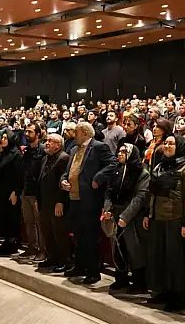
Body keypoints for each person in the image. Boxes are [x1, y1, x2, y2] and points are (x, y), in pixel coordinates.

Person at [144, 135, 185, 311]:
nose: (167, 146)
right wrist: (148, 214)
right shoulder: (161, 165)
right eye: (166, 143)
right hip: (158, 218)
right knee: (159, 258)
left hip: (176, 220)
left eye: (172, 144)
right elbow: (152, 192)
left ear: (181, 147)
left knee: (175, 261)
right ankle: (162, 292)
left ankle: (177, 297)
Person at [60, 122, 117, 285]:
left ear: (84, 133)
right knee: (78, 236)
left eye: (76, 132)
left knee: (90, 237)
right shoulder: (73, 149)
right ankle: (80, 266)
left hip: (90, 199)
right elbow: (67, 172)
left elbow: (112, 164)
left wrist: (97, 179)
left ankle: (93, 271)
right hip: (74, 198)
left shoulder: (99, 147)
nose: (73, 135)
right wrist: (63, 180)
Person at [104, 143, 149, 294]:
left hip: (132, 215)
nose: (120, 154)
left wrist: (125, 216)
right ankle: (120, 278)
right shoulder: (116, 170)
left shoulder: (142, 172)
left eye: (124, 152)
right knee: (117, 248)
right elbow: (109, 191)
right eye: (119, 151)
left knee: (134, 249)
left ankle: (139, 282)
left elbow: (140, 197)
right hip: (116, 212)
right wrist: (108, 209)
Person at [37, 133, 71, 272]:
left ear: (58, 145)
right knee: (47, 232)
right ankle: (51, 258)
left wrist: (60, 202)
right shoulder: (46, 158)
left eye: (51, 141)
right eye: (47, 140)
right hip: (44, 202)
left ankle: (64, 261)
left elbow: (62, 182)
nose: (47, 143)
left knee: (60, 233)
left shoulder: (63, 158)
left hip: (56, 203)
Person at [0, 128, 24, 255]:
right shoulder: (3, 153)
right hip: (1, 191)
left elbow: (18, 175)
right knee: (3, 217)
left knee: (11, 217)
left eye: (5, 138)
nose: (2, 140)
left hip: (11, 191)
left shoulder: (16, 154)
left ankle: (12, 243)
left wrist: (15, 192)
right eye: (2, 138)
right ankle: (6, 241)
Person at [20, 122, 46, 260]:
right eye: (26, 131)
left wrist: (39, 195)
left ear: (37, 134)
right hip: (25, 191)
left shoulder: (42, 151)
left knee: (39, 223)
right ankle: (32, 247)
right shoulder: (27, 151)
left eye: (30, 132)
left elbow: (42, 174)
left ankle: (43, 250)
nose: (26, 134)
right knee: (28, 222)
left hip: (36, 193)